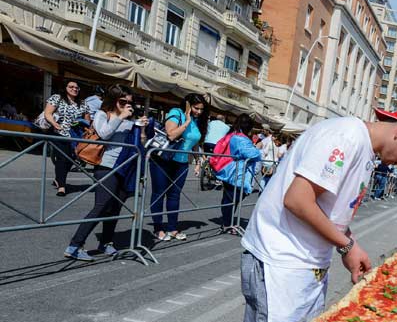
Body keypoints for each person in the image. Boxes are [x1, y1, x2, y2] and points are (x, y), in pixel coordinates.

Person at [239, 105, 397, 322]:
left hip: (305, 265)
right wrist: (346, 246)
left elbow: (331, 211)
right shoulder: (347, 136)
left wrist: (350, 243)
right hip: (280, 262)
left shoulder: (364, 147)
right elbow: (298, 200)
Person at [63, 85, 146, 261]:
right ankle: (75, 245)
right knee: (101, 206)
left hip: (125, 167)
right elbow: (104, 134)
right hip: (106, 166)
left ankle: (106, 242)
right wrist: (121, 117)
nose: (126, 105)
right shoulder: (103, 114)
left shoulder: (129, 119)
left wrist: (141, 127)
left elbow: (141, 142)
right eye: (123, 101)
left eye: (129, 102)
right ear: (114, 100)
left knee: (114, 208)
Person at [149, 93, 207, 242]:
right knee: (159, 193)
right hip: (164, 159)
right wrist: (187, 121)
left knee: (175, 195)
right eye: (196, 108)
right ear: (188, 104)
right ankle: (158, 228)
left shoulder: (197, 120)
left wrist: (198, 161)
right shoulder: (176, 113)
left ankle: (172, 228)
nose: (199, 112)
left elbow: (194, 142)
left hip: (181, 163)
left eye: (201, 109)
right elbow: (171, 135)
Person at [214, 113, 261, 235]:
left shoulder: (232, 135)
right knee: (232, 199)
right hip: (235, 173)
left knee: (231, 198)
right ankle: (227, 224)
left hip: (230, 171)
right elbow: (253, 154)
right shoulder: (240, 138)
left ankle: (227, 223)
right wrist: (257, 150)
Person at [44, 81, 91, 197]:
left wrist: (84, 126)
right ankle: (62, 187)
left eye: (76, 87)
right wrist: (55, 124)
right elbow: (48, 113)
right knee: (62, 158)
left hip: (75, 136)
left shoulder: (83, 103)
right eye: (71, 87)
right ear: (65, 88)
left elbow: (87, 120)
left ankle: (58, 179)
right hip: (59, 133)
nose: (74, 89)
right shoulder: (57, 98)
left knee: (72, 159)